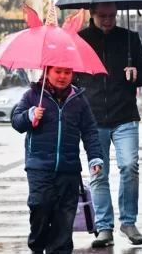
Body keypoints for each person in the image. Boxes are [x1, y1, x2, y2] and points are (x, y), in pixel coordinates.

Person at [76, 2, 142, 247]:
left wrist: (136, 74)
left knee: (130, 166)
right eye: (103, 16)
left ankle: (128, 222)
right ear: (92, 14)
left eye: (112, 15)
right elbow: (72, 76)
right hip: (92, 118)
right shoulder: (81, 40)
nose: (108, 20)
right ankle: (104, 227)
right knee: (99, 174)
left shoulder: (129, 38)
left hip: (125, 116)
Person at [11, 66, 103, 254]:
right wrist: (30, 115)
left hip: (69, 168)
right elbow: (16, 122)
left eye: (67, 72)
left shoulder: (78, 99)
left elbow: (90, 130)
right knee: (40, 206)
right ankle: (37, 247)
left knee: (65, 215)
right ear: (47, 72)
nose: (62, 76)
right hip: (39, 166)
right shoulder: (32, 95)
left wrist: (95, 157)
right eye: (58, 71)